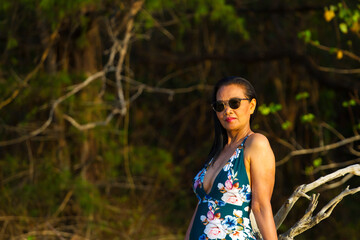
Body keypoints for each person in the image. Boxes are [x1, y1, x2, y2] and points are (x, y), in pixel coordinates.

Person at [185, 76, 277, 240]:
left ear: (252, 106)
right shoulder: (217, 152)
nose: (227, 110)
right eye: (220, 106)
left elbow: (261, 206)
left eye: (234, 103)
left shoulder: (255, 143)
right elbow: (201, 206)